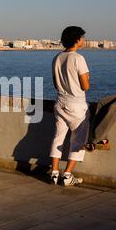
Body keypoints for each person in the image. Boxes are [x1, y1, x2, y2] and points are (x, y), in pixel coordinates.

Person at [49, 26, 91, 187]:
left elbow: (55, 83)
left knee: (58, 136)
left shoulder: (57, 58)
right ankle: (67, 175)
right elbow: (85, 86)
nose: (84, 40)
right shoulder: (78, 58)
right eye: (82, 37)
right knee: (79, 139)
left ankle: (54, 173)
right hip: (76, 104)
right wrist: (86, 78)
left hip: (60, 102)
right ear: (77, 39)